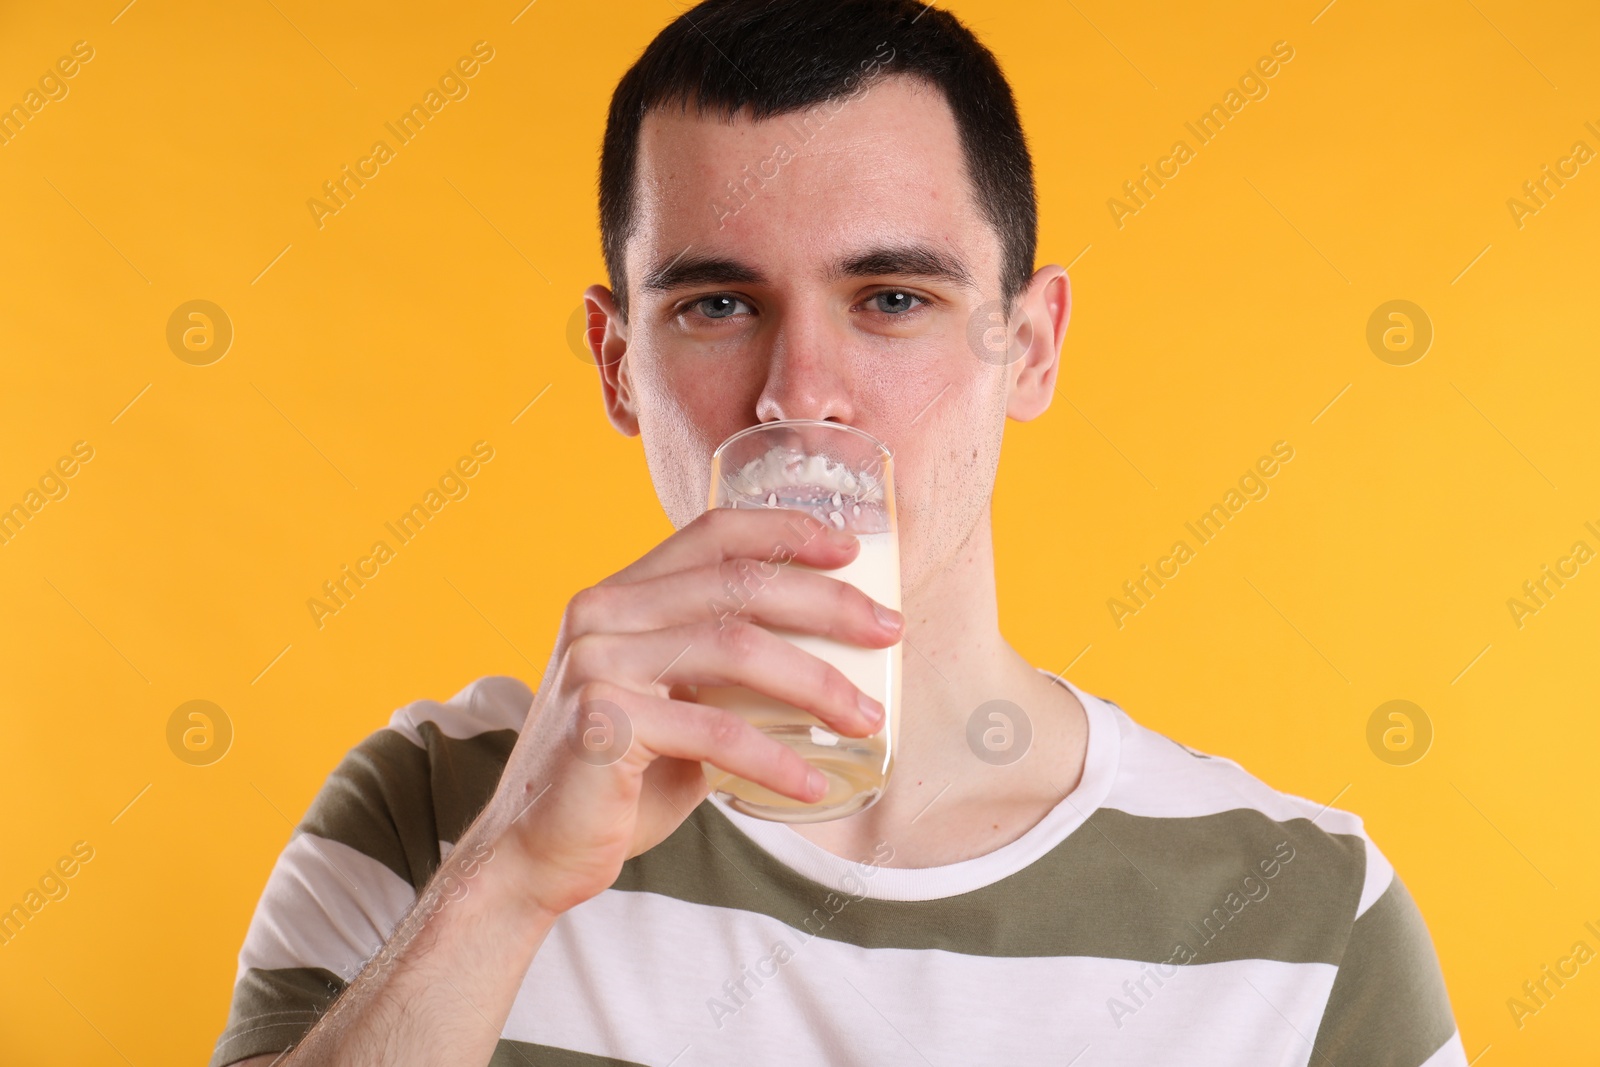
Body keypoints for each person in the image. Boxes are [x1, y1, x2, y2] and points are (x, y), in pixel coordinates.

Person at [210, 1, 1466, 1064]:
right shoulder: (429, 814)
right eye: (714, 303)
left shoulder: (1306, 921)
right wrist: (506, 881)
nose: (799, 391)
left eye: (893, 298)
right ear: (615, 364)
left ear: (1027, 348)